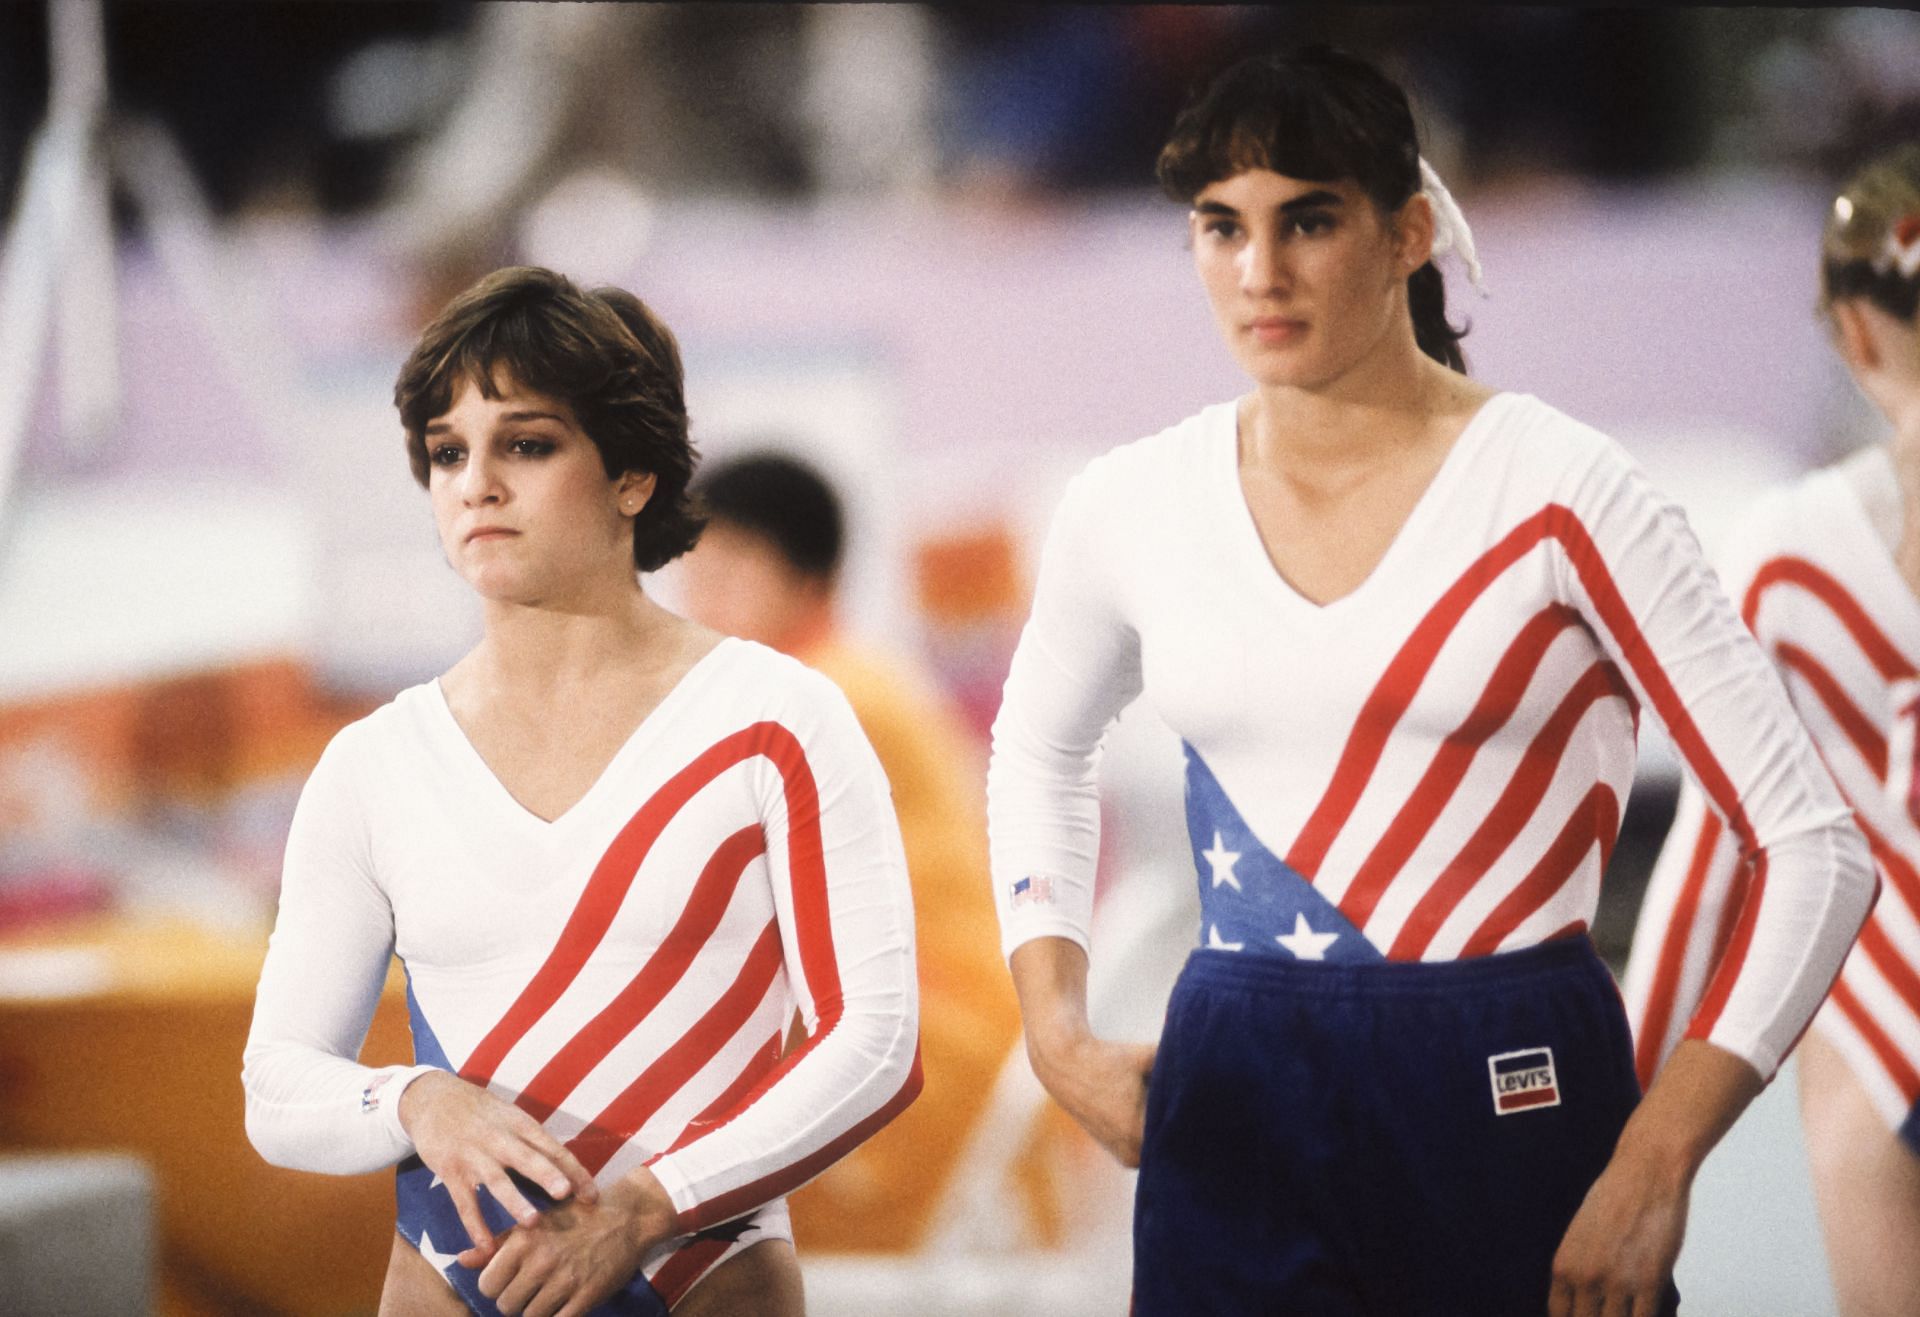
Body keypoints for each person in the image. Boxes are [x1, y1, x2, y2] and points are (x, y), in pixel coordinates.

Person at [985, 46, 1877, 1316]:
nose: (1260, 273)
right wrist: (1056, 1030)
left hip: (1509, 1083)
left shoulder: (1569, 490)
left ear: (1408, 231)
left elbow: (1811, 845)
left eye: (1309, 220)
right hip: (1235, 1076)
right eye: (1221, 227)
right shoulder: (1130, 502)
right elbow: (1036, 757)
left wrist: (1659, 1156)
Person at [241, 266, 921, 1317]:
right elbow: (278, 1085)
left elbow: (875, 1043)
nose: (477, 483)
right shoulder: (374, 765)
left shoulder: (777, 718)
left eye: (526, 443)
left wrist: (647, 1206)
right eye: (447, 452)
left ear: (633, 478)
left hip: (698, 1273)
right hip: (449, 1287)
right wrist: (416, 1101)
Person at [1625, 142, 1920, 1316]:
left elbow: (1713, 870)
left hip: (1886, 1022)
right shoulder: (1795, 560)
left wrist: (1628, 1140)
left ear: (1851, 336)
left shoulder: (1795, 556)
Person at [677, 452, 1037, 1252]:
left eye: (730, 569)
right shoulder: (841, 678)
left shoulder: (826, 697)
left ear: (809, 580)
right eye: (693, 569)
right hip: (929, 1032)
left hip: (928, 1054)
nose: (698, 596)